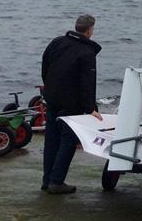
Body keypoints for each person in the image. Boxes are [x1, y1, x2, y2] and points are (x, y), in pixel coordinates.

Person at [41, 14, 102, 194]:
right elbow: (87, 83)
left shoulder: (57, 42)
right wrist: (91, 108)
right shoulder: (87, 52)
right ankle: (56, 181)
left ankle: (47, 179)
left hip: (52, 98)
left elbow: (45, 67)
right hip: (71, 105)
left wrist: (49, 87)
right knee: (68, 141)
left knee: (51, 140)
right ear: (90, 30)